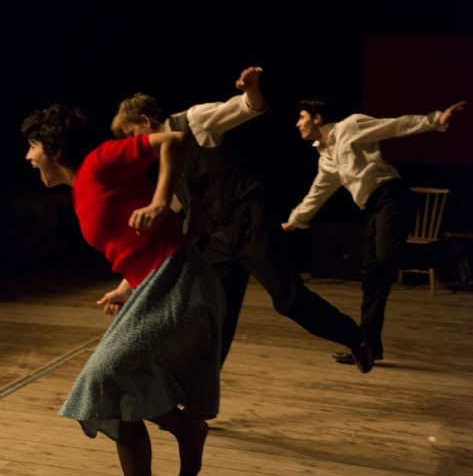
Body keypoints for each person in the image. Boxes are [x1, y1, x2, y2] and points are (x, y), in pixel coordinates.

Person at [21, 103, 226, 476]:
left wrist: (160, 200)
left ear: (54, 148)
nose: (28, 156)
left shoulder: (99, 161)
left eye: (33, 146)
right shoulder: (80, 192)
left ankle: (185, 429)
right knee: (115, 397)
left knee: (103, 377)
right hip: (151, 283)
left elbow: (173, 140)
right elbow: (136, 246)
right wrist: (123, 287)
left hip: (180, 281)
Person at [110, 66, 373, 373]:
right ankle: (200, 394)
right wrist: (126, 285)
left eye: (133, 135)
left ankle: (355, 337)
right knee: (213, 313)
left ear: (146, 121)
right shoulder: (169, 161)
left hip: (250, 223)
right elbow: (169, 212)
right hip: (218, 237)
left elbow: (248, 107)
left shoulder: (193, 120)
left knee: (289, 300)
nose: (135, 146)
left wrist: (250, 88)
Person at [282, 97, 467, 365]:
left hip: (392, 197)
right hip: (373, 209)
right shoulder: (326, 159)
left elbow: (394, 126)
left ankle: (451, 253)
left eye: (302, 117)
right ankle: (368, 347)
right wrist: (294, 221)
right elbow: (317, 193)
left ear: (317, 118)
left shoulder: (349, 127)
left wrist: (434, 120)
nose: (298, 124)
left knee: (388, 256)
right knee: (373, 277)